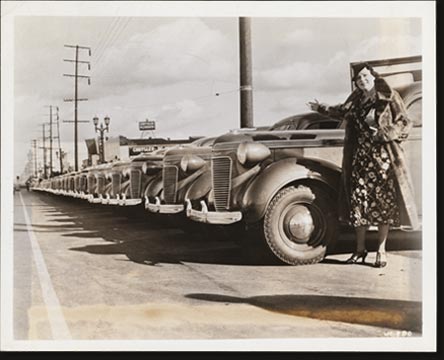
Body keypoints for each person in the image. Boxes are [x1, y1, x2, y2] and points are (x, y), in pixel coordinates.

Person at [308, 62, 419, 268]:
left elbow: (405, 122)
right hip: (359, 159)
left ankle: (381, 250)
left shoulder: (388, 95)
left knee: (382, 205)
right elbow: (341, 111)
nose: (362, 80)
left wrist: (386, 133)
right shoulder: (356, 99)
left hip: (382, 159)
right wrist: (320, 107)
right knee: (360, 204)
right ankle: (359, 250)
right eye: (359, 79)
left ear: (373, 76)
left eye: (365, 76)